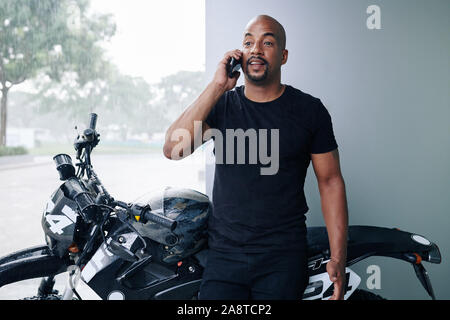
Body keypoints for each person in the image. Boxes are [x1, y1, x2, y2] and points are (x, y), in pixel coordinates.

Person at [163, 15, 348, 300]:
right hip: (224, 257)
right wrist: (217, 86)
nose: (256, 49)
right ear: (240, 54)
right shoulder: (222, 105)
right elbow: (173, 150)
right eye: (248, 42)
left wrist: (338, 256)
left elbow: (330, 181)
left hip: (283, 258)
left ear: (283, 56)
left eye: (268, 42)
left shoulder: (310, 111)